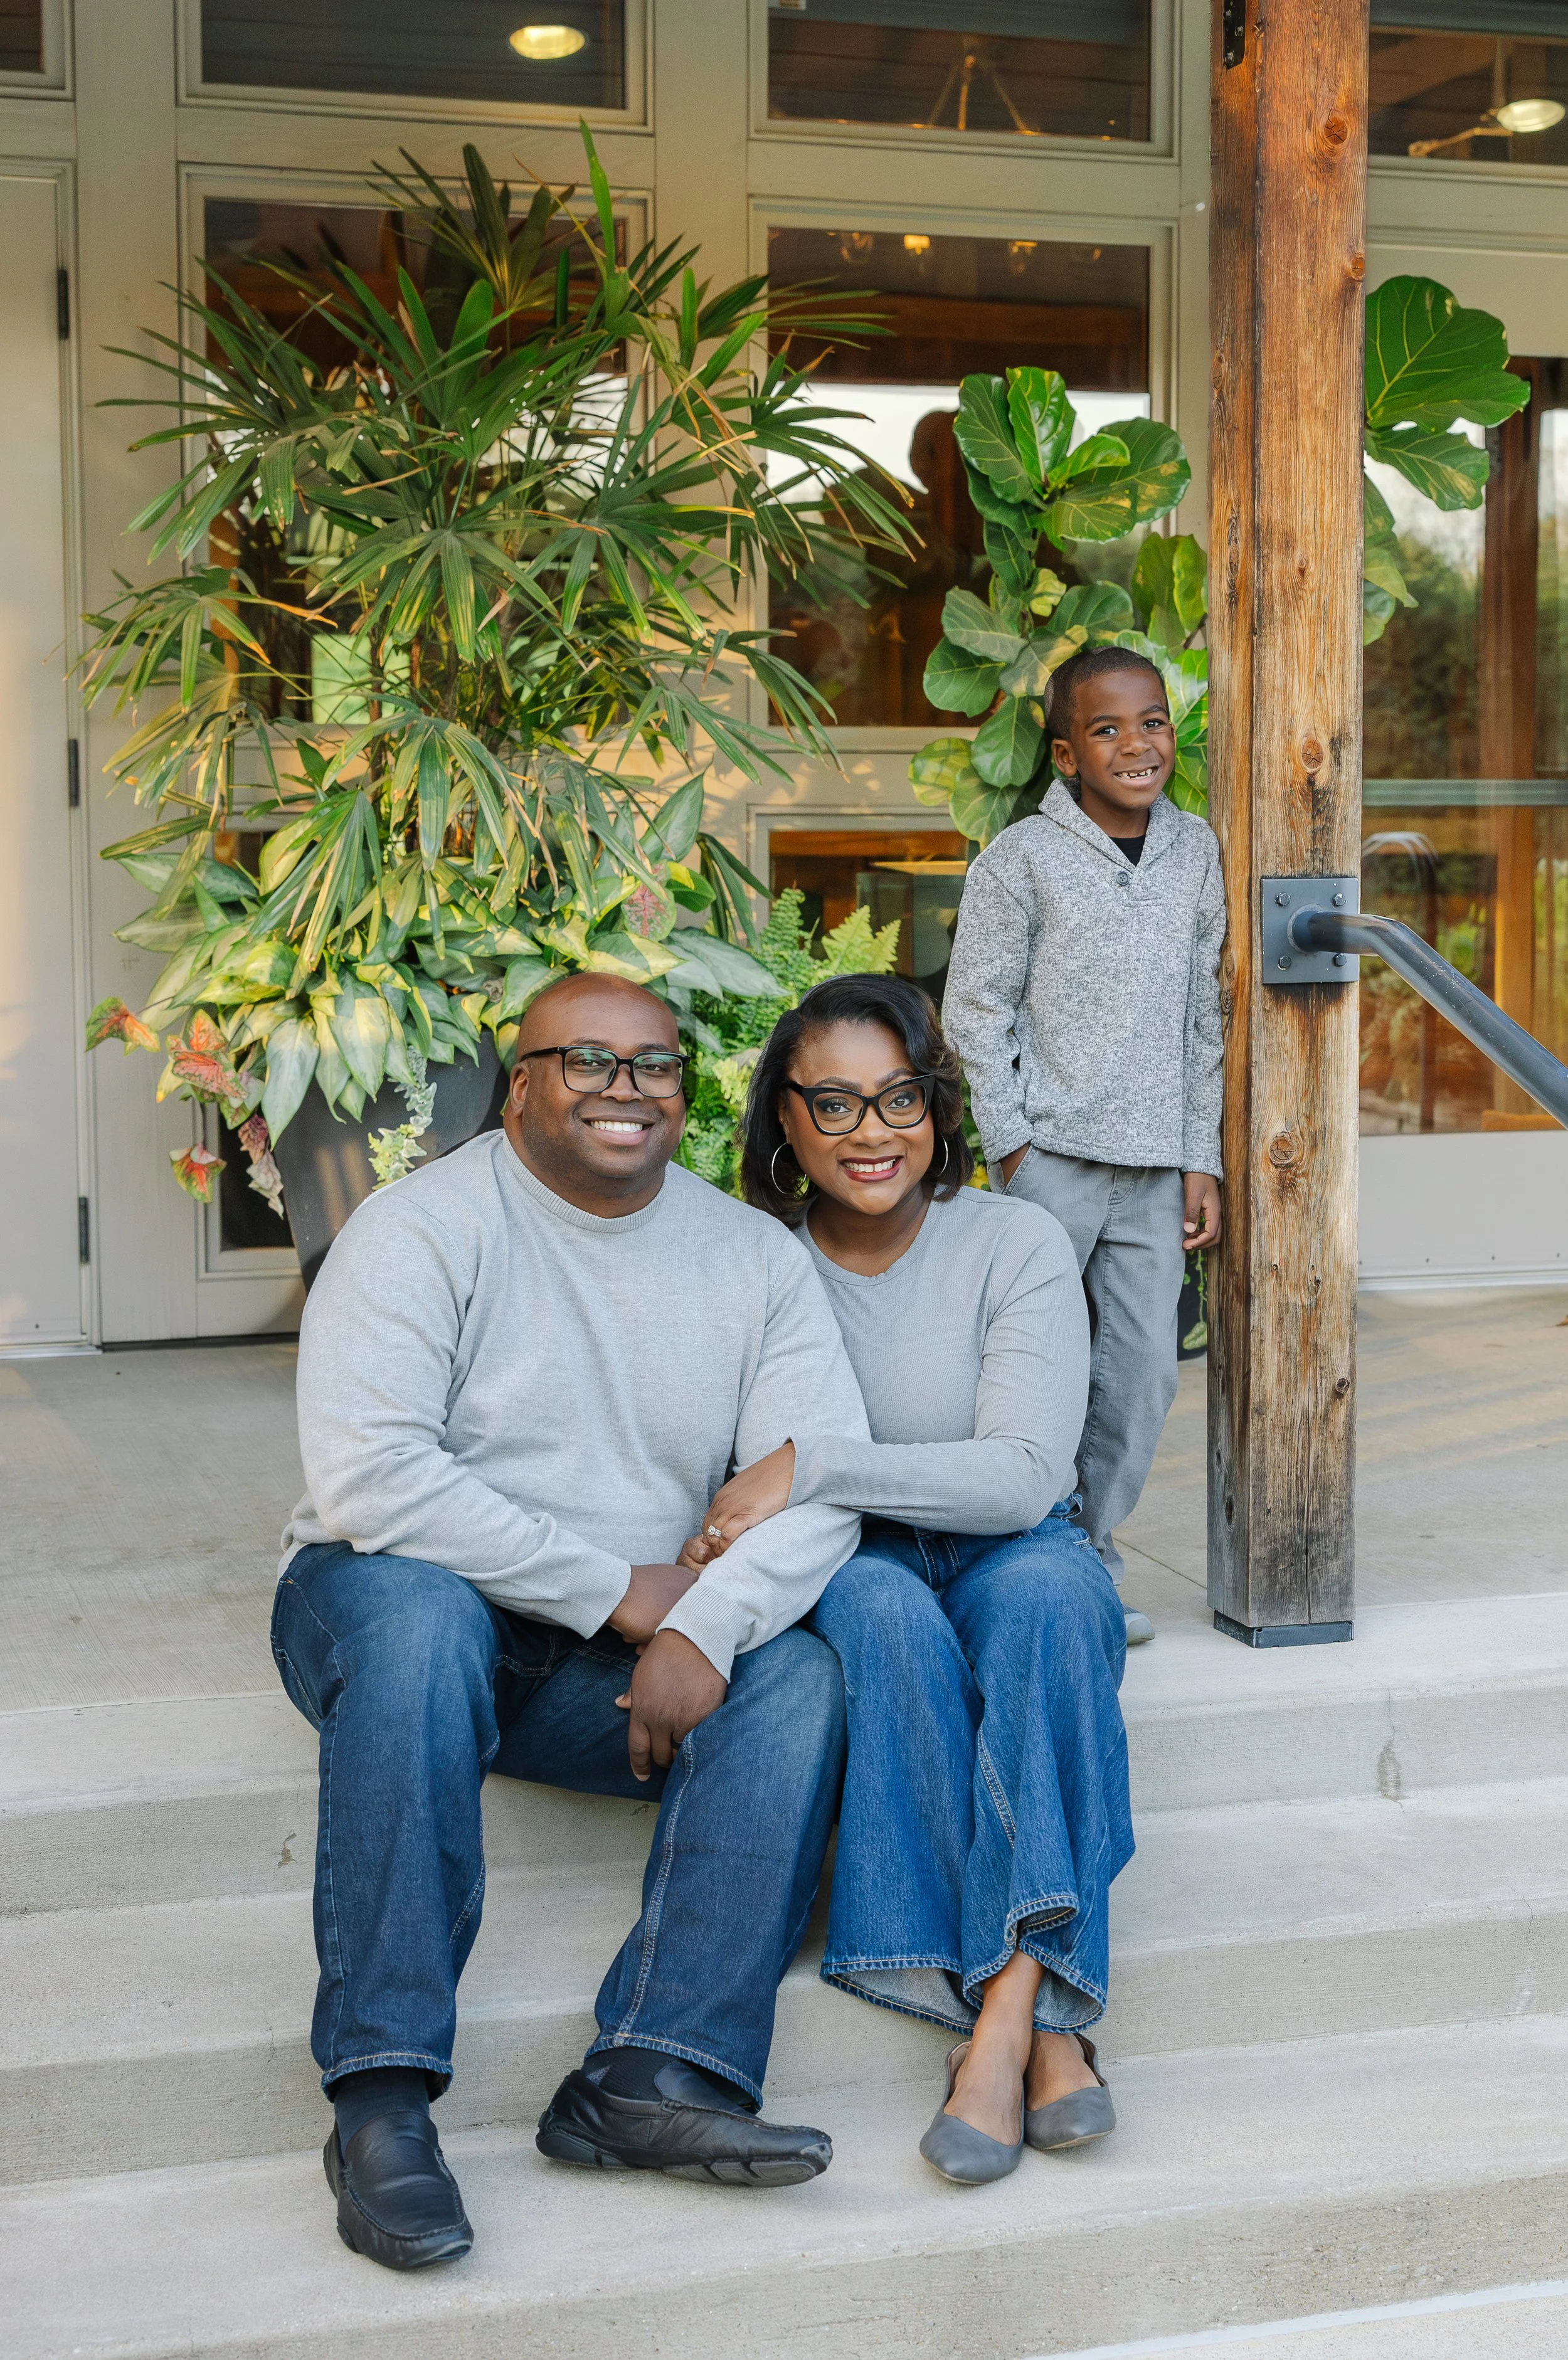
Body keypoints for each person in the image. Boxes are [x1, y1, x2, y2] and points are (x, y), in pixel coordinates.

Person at [272, 972, 869, 2272]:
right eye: (586, 1061)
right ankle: (381, 2101)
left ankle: (650, 2074)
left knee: (798, 1680)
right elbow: (372, 1479)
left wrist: (704, 1627)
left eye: (653, 1066)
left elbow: (820, 1476)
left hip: (610, 1654)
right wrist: (616, 1588)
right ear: (521, 1076)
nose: (625, 1089)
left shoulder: (751, 1257)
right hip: (394, 1596)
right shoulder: (419, 1228)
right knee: (422, 1636)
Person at [682, 974, 1132, 2186]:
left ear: (938, 1107)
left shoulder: (1013, 1239)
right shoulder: (758, 1268)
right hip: (857, 1557)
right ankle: (1046, 2027)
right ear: (783, 1118)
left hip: (1013, 1545)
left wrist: (811, 1462)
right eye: (831, 1103)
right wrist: (806, 1497)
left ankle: (1006, 2022)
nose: (869, 1132)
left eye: (896, 1098)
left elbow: (1022, 1476)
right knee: (881, 1613)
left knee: (1053, 1600)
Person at [943, 644, 1227, 1644]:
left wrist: (1204, 1158)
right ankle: (1029, 1542)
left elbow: (1206, 1017)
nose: (1136, 744)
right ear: (1066, 753)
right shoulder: (1019, 859)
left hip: (1156, 1166)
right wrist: (1014, 1146)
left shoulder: (1196, 850)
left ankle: (1089, 1545)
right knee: (1035, 1361)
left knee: (1143, 1368)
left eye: (1152, 722)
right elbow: (974, 1010)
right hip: (1052, 1161)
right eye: (1107, 730)